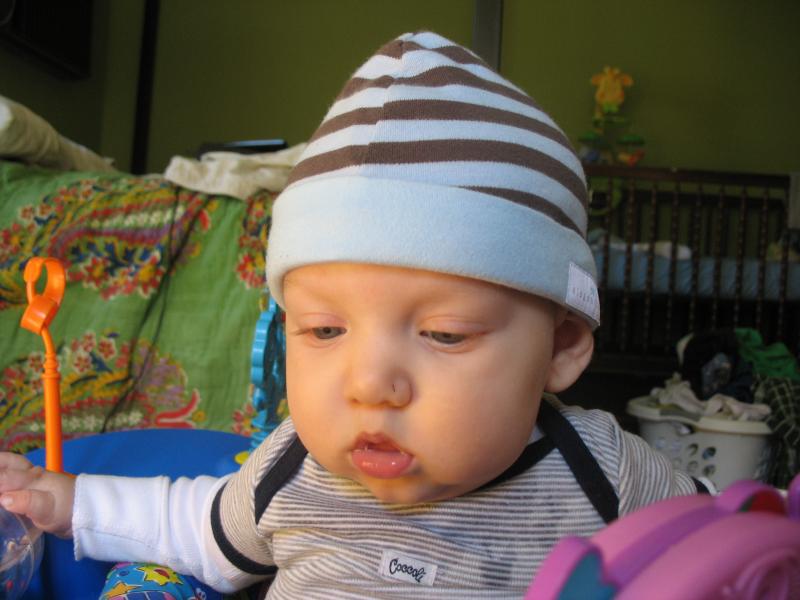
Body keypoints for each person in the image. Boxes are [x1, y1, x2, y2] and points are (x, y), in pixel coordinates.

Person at [0, 31, 695, 598]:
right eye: (325, 330)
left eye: (444, 334)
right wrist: (70, 502)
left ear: (561, 347)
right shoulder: (292, 467)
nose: (367, 384)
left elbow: (724, 545)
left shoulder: (607, 473)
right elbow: (194, 525)